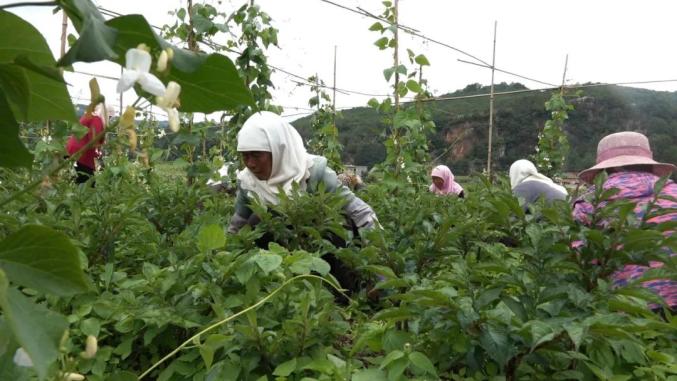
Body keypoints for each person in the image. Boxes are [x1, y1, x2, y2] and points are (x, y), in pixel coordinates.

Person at [227, 112, 380, 293]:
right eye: (245, 156)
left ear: (279, 149)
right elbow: (237, 226)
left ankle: (343, 290)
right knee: (256, 220)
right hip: (285, 255)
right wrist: (225, 260)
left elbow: (362, 214)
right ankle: (278, 285)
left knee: (336, 221)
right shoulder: (248, 182)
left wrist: (379, 271)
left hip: (323, 249)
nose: (250, 164)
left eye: (256, 155)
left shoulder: (313, 173)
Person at [573, 131, 677, 310]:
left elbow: (581, 262)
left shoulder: (590, 203)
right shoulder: (674, 192)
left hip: (627, 310)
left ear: (605, 169)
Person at [66, 104, 107, 184]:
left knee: (74, 179)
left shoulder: (89, 116)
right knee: (88, 183)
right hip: (81, 154)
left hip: (73, 150)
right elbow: (93, 140)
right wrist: (101, 146)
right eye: (109, 117)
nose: (109, 119)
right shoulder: (97, 119)